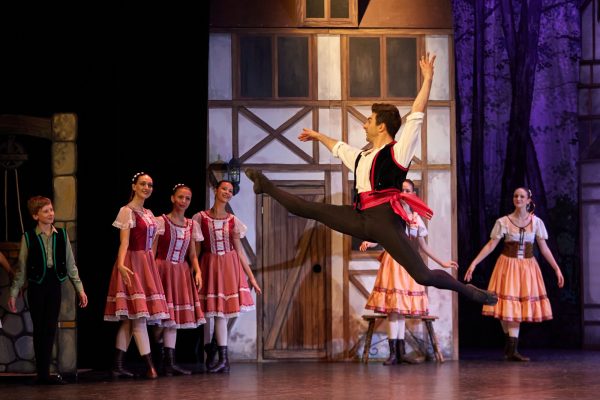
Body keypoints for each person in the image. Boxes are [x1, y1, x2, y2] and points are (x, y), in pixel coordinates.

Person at [245, 53, 497, 306]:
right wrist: (319, 136)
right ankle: (265, 185)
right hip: (360, 218)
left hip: (385, 221)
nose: (364, 125)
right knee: (310, 209)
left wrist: (428, 79)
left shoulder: (398, 151)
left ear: (382, 126)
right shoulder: (361, 156)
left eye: (368, 120)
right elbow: (339, 148)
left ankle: (468, 291)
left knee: (423, 276)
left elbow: (416, 115)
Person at [360, 179, 458, 365]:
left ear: (412, 194)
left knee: (401, 310)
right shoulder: (390, 215)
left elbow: (423, 247)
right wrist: (369, 242)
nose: (403, 193)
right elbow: (380, 237)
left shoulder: (415, 218)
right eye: (401, 190)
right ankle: (393, 354)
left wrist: (442, 262)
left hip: (409, 264)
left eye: (407, 190)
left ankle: (400, 352)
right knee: (393, 310)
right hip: (393, 262)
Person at [464, 187, 564, 361]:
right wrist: (474, 263)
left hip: (527, 268)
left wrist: (556, 268)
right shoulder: (504, 221)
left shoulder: (536, 222)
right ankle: (511, 348)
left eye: (522, 196)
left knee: (514, 306)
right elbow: (491, 245)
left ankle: (511, 348)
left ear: (528, 200)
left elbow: (544, 248)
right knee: (506, 305)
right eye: (516, 196)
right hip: (507, 266)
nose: (518, 199)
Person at [8, 196, 88, 385]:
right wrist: (13, 292)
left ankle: (46, 373)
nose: (51, 213)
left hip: (54, 285)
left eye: (51, 209)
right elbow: (22, 269)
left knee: (50, 327)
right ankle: (42, 373)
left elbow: (71, 265)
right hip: (37, 286)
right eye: (45, 211)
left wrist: (80, 289)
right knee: (39, 329)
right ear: (35, 216)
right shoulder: (28, 237)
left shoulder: (61, 235)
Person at [104, 172, 169, 379]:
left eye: (150, 185)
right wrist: (121, 265)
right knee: (139, 317)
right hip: (132, 263)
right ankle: (150, 367)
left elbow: (152, 243)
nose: (147, 188)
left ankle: (117, 366)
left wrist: (153, 266)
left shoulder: (149, 213)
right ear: (134, 186)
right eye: (142, 184)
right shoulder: (127, 211)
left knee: (129, 320)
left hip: (146, 264)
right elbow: (124, 242)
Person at [192, 180, 261, 373]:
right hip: (209, 265)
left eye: (230, 191)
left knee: (221, 313)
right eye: (224, 189)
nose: (227, 193)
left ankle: (223, 359)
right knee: (209, 313)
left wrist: (251, 278)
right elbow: (196, 250)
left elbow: (239, 252)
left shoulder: (232, 220)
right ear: (215, 190)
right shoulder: (200, 217)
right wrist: (195, 271)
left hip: (229, 267)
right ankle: (211, 352)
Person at [151, 184, 205, 376]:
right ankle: (158, 350)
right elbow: (152, 251)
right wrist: (150, 273)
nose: (184, 201)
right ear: (173, 198)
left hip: (180, 272)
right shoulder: (161, 221)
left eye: (187, 198)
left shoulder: (191, 225)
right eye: (180, 197)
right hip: (162, 270)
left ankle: (169, 363)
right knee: (160, 321)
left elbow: (192, 254)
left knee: (173, 319)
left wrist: (197, 271)